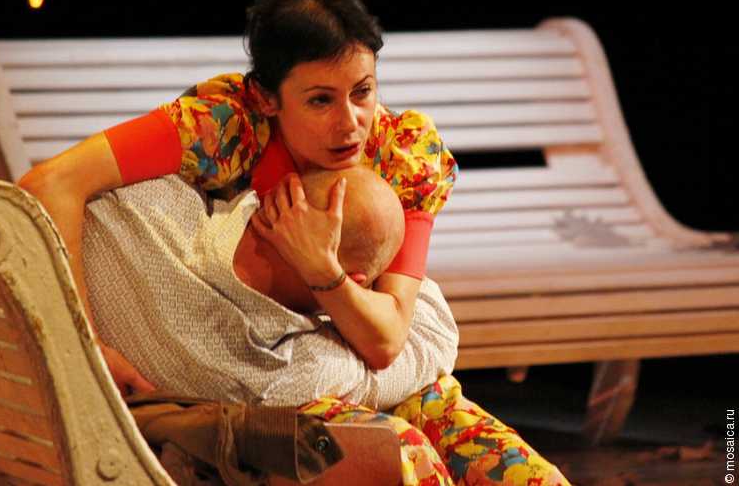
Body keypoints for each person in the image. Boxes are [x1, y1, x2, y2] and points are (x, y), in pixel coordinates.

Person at [18, 0, 458, 392]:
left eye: (362, 92)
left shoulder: (402, 152)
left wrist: (323, 269)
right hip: (242, 348)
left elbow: (387, 340)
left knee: (461, 426)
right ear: (267, 98)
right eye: (321, 100)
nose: (351, 123)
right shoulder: (226, 125)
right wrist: (85, 348)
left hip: (350, 348)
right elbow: (51, 182)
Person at [82, 166, 570, 486]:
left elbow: (432, 329)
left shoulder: (161, 199)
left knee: (438, 406)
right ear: (361, 281)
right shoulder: (264, 362)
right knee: (403, 444)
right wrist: (334, 284)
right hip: (231, 438)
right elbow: (420, 346)